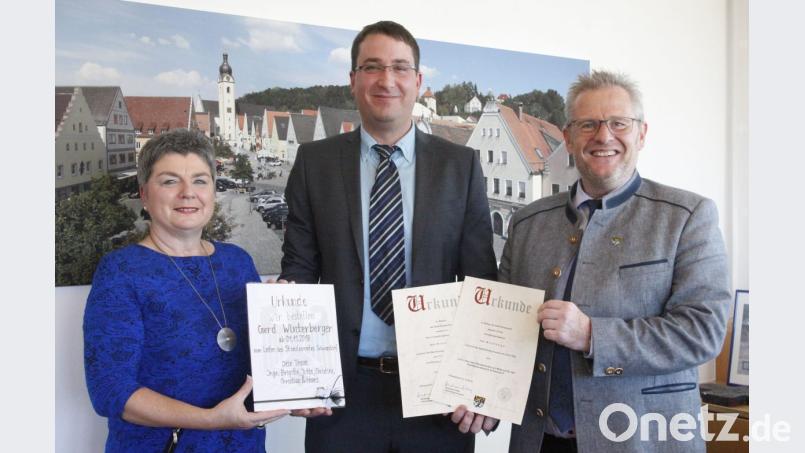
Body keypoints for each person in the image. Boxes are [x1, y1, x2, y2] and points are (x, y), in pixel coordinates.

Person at [279, 20, 499, 453]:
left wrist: (484, 386)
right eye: (372, 67)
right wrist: (292, 369)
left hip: (438, 394)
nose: (386, 80)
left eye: (400, 68)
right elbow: (299, 272)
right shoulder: (313, 163)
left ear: (417, 82)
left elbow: (481, 286)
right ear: (353, 80)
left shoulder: (461, 166)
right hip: (340, 395)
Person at [501, 70, 731, 452]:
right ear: (568, 137)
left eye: (618, 123)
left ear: (641, 134)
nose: (603, 136)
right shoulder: (527, 223)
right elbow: (502, 328)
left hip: (641, 441)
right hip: (538, 441)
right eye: (588, 124)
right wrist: (481, 394)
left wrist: (593, 335)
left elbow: (702, 333)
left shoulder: (687, 217)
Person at [83, 129, 290, 452]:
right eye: (169, 181)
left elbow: (260, 363)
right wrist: (211, 419)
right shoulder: (121, 271)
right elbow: (110, 391)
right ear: (144, 194)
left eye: (200, 180)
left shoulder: (237, 262)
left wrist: (300, 387)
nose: (187, 193)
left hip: (243, 445)